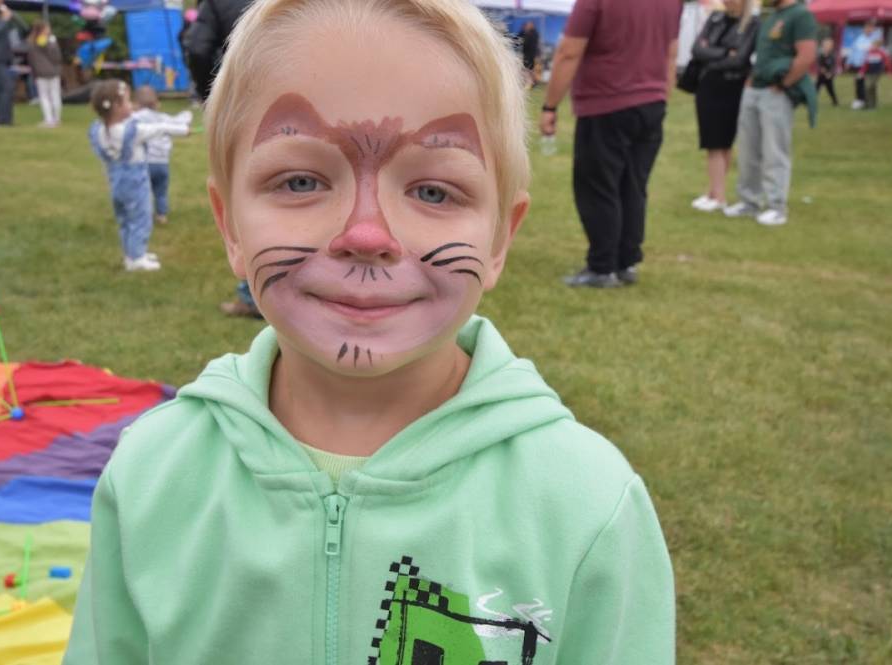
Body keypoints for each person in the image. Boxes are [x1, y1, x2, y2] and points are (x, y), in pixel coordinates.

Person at [63, 1, 675, 662]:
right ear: (229, 225)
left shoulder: (587, 506)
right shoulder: (152, 476)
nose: (366, 234)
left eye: (434, 191)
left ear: (500, 238)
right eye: (300, 180)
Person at [540, 0, 683, 288]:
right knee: (633, 185)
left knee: (599, 186)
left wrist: (550, 105)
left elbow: (569, 51)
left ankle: (602, 266)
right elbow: (671, 52)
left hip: (606, 101)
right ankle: (625, 261)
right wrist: (661, 96)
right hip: (651, 102)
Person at [184, 0, 262, 317]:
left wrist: (212, 96)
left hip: (242, 102)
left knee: (251, 190)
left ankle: (252, 295)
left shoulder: (216, 3)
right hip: (306, 99)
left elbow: (198, 48)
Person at [723, 0, 817, 227]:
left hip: (775, 92)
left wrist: (784, 84)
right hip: (754, 89)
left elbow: (806, 56)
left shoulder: (800, 15)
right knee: (748, 149)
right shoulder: (772, 16)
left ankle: (776, 206)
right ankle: (749, 201)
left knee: (774, 150)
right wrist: (751, 80)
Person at [87, 80, 191, 272]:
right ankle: (137, 259)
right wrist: (184, 130)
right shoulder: (131, 132)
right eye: (127, 101)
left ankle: (132, 253)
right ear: (116, 107)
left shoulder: (98, 131)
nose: (132, 105)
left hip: (116, 184)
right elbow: (160, 128)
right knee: (140, 219)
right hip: (135, 185)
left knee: (125, 220)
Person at [689, 0, 759, 213]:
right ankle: (713, 191)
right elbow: (697, 49)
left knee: (721, 142)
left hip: (731, 86)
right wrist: (724, 53)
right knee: (712, 142)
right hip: (708, 85)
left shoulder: (752, 24)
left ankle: (718, 196)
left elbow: (740, 59)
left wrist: (711, 54)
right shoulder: (715, 18)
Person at [132, 86, 193, 225]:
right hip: (162, 164)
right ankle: (161, 215)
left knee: (144, 191)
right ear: (157, 103)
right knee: (161, 191)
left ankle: (143, 214)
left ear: (137, 104)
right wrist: (187, 115)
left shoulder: (135, 118)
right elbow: (184, 118)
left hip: (144, 163)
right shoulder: (163, 119)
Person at [27, 21, 64, 128]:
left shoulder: (32, 42)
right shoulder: (51, 41)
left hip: (40, 72)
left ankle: (48, 119)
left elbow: (31, 60)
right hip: (53, 72)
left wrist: (34, 72)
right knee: (55, 95)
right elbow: (57, 57)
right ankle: (56, 119)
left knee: (44, 97)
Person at [847, 18, 882, 110]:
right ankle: (860, 100)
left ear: (873, 29)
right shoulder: (859, 39)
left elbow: (880, 52)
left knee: (868, 85)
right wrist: (849, 62)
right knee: (858, 82)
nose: (868, 30)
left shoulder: (875, 39)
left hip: (869, 66)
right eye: (866, 28)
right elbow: (853, 50)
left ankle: (869, 101)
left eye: (870, 28)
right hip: (858, 64)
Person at [859, 38, 892, 110]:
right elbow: (865, 64)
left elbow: (888, 62)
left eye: (874, 45)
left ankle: (872, 104)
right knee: (869, 87)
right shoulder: (869, 53)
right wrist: (861, 72)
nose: (872, 46)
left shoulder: (881, 53)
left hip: (877, 73)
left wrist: (889, 72)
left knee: (870, 86)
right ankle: (869, 104)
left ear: (878, 46)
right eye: (872, 45)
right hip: (868, 72)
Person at [816, 37, 839, 107]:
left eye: (828, 46)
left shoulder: (832, 56)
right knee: (816, 88)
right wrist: (824, 71)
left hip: (829, 76)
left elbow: (833, 66)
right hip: (821, 75)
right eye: (825, 45)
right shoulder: (821, 55)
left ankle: (835, 101)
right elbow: (820, 65)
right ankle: (811, 100)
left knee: (830, 89)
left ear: (831, 47)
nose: (826, 47)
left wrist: (830, 73)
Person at [519, 21, 540, 88]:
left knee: (529, 69)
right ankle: (532, 82)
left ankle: (531, 82)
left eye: (528, 25)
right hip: (529, 54)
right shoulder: (530, 33)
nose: (527, 27)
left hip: (530, 55)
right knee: (529, 69)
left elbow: (527, 43)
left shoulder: (532, 34)